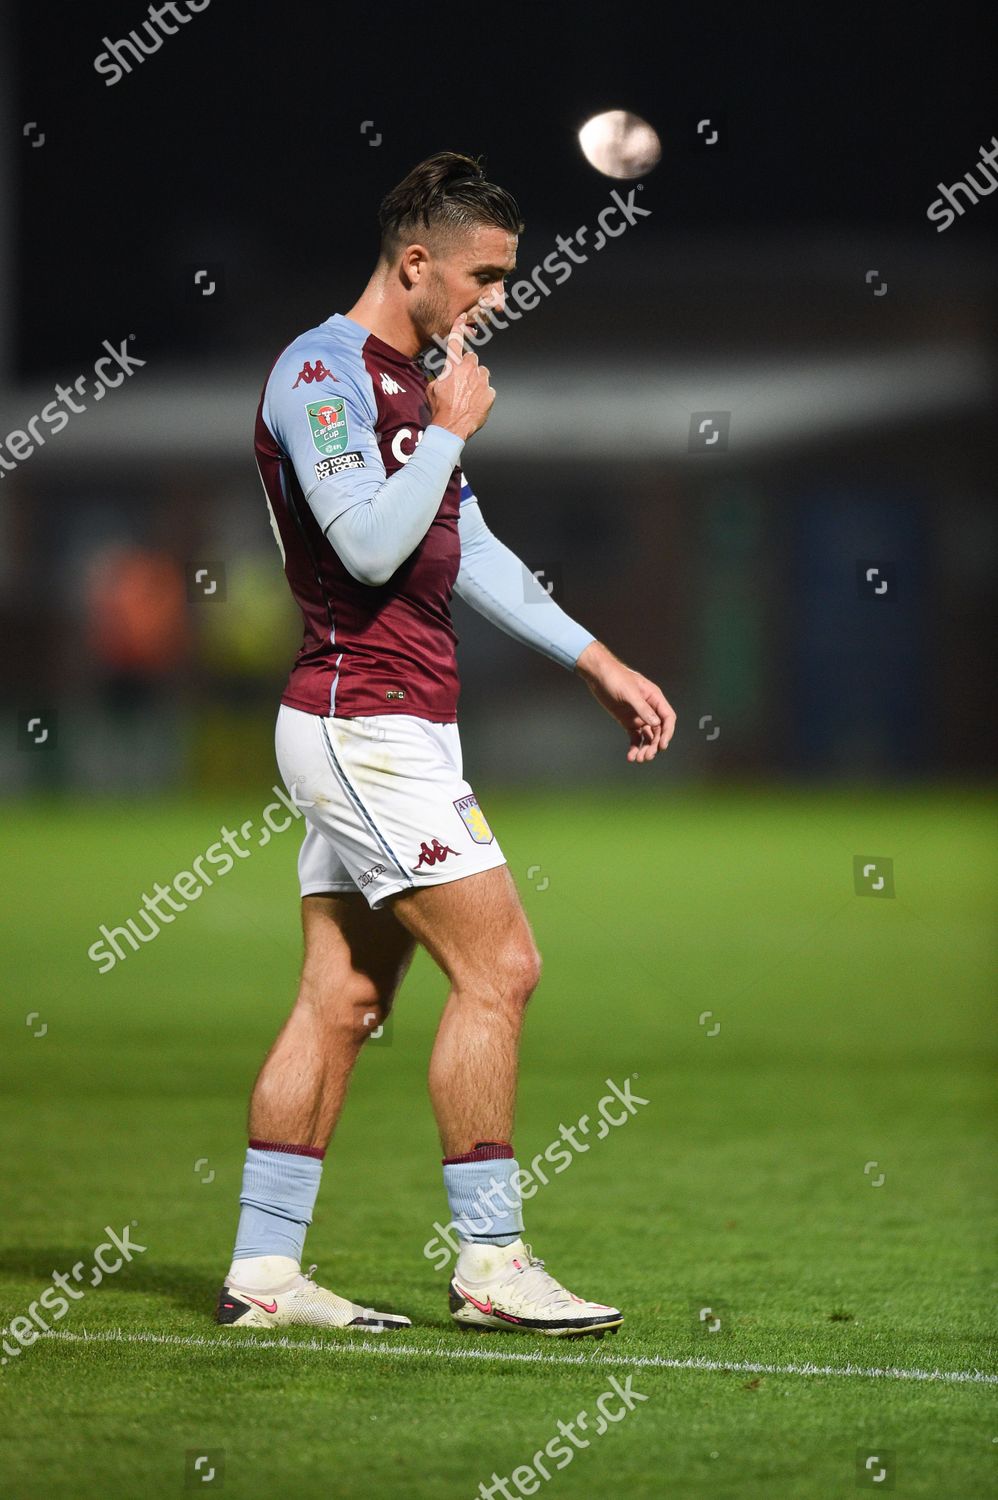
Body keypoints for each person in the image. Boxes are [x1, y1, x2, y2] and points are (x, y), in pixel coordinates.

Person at [216, 152, 676, 1339]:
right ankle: (489, 1263)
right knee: (501, 969)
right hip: (359, 721)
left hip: (388, 723)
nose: (497, 297)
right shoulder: (320, 374)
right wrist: (447, 436)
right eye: (483, 274)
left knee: (342, 998)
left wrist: (596, 662)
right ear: (414, 261)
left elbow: (469, 554)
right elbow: (368, 547)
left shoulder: (412, 381)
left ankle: (264, 1275)